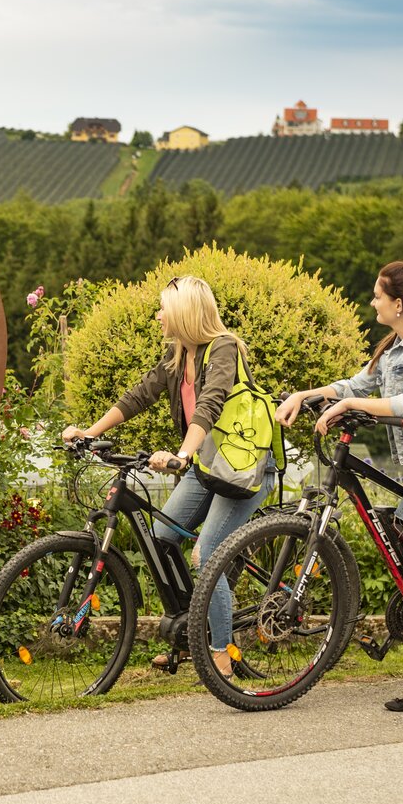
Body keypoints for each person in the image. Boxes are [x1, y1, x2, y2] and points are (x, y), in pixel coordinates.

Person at [276, 261, 403, 723]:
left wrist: (350, 404)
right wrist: (307, 396)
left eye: (377, 295)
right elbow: (357, 383)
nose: (372, 302)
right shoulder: (393, 348)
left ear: (398, 303)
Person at [62, 275, 276, 676]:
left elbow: (210, 403)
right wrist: (89, 433)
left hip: (242, 471)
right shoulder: (179, 355)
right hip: (207, 468)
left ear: (184, 313)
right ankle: (194, 629)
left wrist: (181, 455)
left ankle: (220, 648)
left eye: (164, 308)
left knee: (210, 554)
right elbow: (140, 395)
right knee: (163, 538)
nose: (159, 315)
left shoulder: (224, 348)